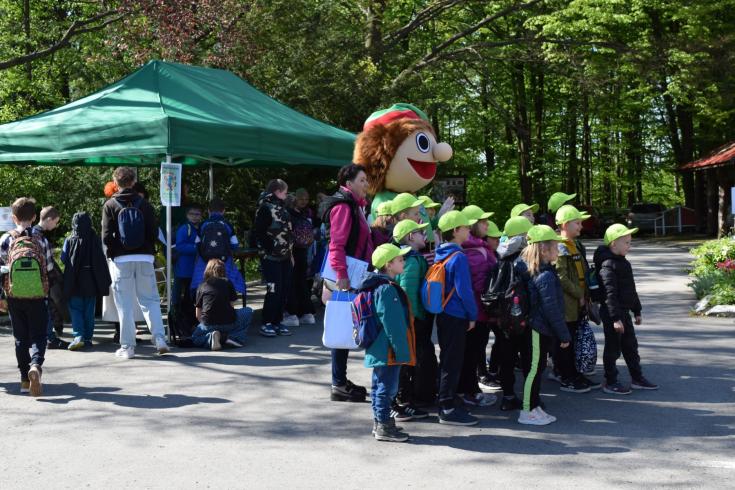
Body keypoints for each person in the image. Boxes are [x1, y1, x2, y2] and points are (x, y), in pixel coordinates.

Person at [102, 166, 170, 359]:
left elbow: (106, 236)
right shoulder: (144, 204)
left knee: (124, 304)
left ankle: (128, 347)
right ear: (133, 182)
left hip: (121, 259)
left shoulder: (110, 205)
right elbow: (153, 231)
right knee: (150, 300)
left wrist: (113, 254)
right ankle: (159, 339)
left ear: (115, 183)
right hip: (145, 258)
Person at [320, 163, 374, 402]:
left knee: (346, 323)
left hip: (354, 272)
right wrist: (341, 274)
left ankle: (339, 380)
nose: (366, 184)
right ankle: (338, 383)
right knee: (342, 324)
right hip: (346, 275)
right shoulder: (344, 206)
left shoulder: (356, 206)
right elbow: (337, 243)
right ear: (348, 183)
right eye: (362, 180)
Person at [594, 224, 658, 394]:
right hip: (612, 314)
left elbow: (631, 289)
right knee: (613, 348)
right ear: (614, 243)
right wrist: (615, 319)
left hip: (624, 313)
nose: (630, 246)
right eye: (626, 243)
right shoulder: (607, 265)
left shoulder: (623, 262)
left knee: (631, 346)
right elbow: (609, 294)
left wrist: (637, 310)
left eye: (630, 242)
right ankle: (610, 380)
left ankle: (637, 378)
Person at [517, 225, 571, 425]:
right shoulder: (545, 275)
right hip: (537, 330)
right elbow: (552, 309)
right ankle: (526, 411)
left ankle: (534, 405)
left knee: (537, 368)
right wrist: (563, 335)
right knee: (533, 369)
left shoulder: (539, 270)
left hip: (536, 328)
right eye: (556, 247)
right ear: (544, 250)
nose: (559, 250)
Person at [1, 197, 53, 396]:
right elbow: (48, 268)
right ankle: (36, 366)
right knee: (39, 335)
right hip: (38, 295)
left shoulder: (6, 239)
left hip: (14, 295)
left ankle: (24, 380)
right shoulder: (41, 239)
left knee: (20, 338)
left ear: (13, 217)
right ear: (33, 217)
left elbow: (1, 268)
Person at [363, 243, 415, 442]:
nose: (403, 261)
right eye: (400, 259)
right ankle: (384, 425)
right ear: (388, 265)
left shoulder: (377, 285)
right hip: (388, 349)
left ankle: (381, 423)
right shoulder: (387, 290)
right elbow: (393, 325)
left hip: (379, 347)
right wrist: (402, 352)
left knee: (380, 386)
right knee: (387, 388)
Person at [432, 210, 479, 426]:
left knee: (447, 359)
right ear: (455, 231)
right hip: (457, 315)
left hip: (444, 314)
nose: (469, 229)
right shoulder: (458, 257)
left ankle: (447, 399)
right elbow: (464, 290)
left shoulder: (441, 252)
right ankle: (447, 407)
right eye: (466, 227)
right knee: (452, 361)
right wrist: (473, 315)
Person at [551, 205, 599, 392]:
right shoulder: (561, 246)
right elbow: (561, 277)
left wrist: (586, 294)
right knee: (565, 341)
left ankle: (573, 373)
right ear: (564, 225)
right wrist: (579, 294)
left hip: (576, 302)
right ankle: (566, 377)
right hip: (567, 304)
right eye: (577, 223)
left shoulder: (572, 245)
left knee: (572, 339)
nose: (581, 226)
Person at [456, 205, 498, 408]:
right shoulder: (475, 251)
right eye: (482, 221)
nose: (487, 224)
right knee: (471, 353)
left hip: (477, 312)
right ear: (472, 225)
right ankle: (469, 391)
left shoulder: (478, 247)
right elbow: (479, 286)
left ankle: (468, 389)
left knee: (471, 352)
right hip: (477, 313)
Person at [392, 219, 433, 418]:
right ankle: (404, 399)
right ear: (410, 237)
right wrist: (416, 317)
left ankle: (407, 397)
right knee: (409, 360)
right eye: (419, 232)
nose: (423, 235)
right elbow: (407, 294)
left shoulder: (411, 258)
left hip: (411, 318)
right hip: (413, 319)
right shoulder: (411, 261)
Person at [495, 216, 533, 412]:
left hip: (503, 316)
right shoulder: (525, 257)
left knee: (506, 358)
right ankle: (529, 399)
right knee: (528, 358)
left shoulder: (498, 255)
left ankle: (507, 397)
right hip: (524, 317)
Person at [61, 212, 112, 350]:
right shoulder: (94, 238)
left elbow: (63, 259)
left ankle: (78, 335)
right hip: (91, 280)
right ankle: (88, 338)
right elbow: (100, 258)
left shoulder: (70, 239)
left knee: (76, 309)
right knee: (89, 310)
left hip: (74, 280)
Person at [254, 179, 294, 336]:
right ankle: (267, 322)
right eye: (285, 192)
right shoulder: (264, 208)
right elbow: (259, 232)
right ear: (278, 192)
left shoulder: (282, 208)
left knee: (284, 289)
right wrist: (270, 249)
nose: (286, 195)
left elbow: (288, 233)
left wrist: (290, 254)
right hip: (271, 258)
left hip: (285, 257)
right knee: (273, 289)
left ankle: (278, 321)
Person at [190, 198, 246, 303]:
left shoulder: (203, 224)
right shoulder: (227, 224)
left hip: (205, 262)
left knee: (203, 285)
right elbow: (235, 245)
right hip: (224, 262)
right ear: (223, 210)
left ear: (208, 211)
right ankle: (227, 310)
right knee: (228, 285)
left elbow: (197, 243)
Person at [192, 259, 251, 350]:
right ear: (223, 270)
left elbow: (197, 314)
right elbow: (231, 306)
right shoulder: (228, 282)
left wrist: (204, 325)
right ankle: (232, 337)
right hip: (228, 322)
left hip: (209, 323)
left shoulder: (202, 285)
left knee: (195, 338)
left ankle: (211, 337)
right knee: (248, 311)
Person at [33, 206, 69, 349]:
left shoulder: (29, 233)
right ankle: (50, 338)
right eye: (56, 222)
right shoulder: (41, 238)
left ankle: (42, 337)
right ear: (49, 219)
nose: (56, 225)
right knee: (46, 308)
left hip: (29, 280)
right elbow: (48, 266)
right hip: (42, 279)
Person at [286, 188, 317, 326]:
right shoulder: (305, 215)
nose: (304, 202)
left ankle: (292, 314)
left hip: (293, 253)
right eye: (301, 199)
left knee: (292, 283)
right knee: (302, 282)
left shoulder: (288, 215)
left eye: (306, 199)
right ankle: (307, 313)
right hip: (304, 251)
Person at [479, 219, 503, 389]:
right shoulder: (482, 254)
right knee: (479, 343)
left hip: (493, 308)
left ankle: (492, 370)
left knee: (498, 338)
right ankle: (482, 373)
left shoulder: (496, 255)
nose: (498, 241)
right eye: (494, 238)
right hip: (482, 308)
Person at [172, 204, 203, 338]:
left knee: (192, 298)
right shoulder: (185, 229)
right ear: (187, 215)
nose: (195, 217)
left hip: (195, 270)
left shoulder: (200, 229)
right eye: (192, 214)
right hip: (184, 270)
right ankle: (184, 324)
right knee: (186, 300)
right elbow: (180, 246)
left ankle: (193, 323)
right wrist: (198, 248)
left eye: (198, 214)